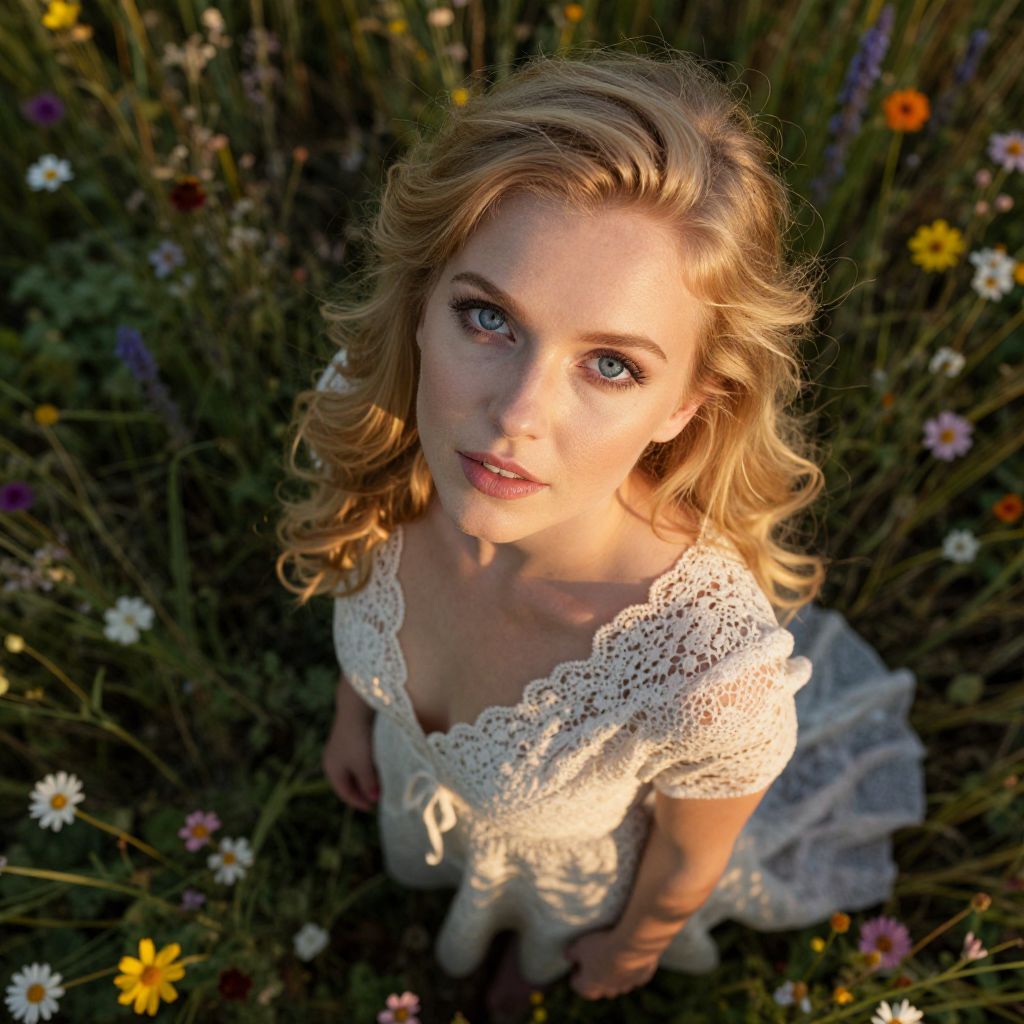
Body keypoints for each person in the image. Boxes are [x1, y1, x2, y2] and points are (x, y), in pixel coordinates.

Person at [275, 45, 925, 1018]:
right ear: (418, 305)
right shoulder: (376, 432)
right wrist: (352, 716)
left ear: (686, 406)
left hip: (568, 894)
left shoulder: (707, 677)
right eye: (487, 317)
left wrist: (633, 944)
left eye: (611, 365)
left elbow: (682, 861)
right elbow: (355, 576)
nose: (515, 416)